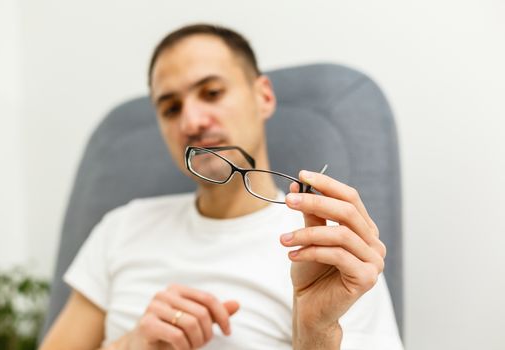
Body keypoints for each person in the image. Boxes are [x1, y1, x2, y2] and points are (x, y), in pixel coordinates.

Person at [40, 24, 403, 350]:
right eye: (170, 108)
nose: (192, 121)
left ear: (263, 96)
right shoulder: (121, 228)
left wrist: (314, 336)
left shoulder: (332, 253)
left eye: (211, 92)